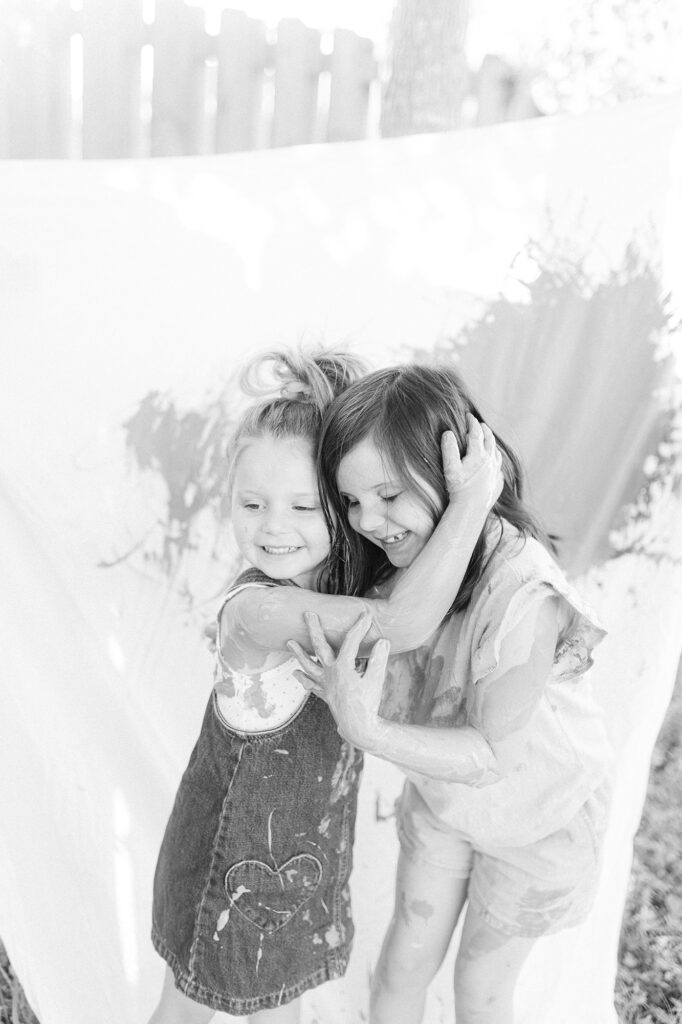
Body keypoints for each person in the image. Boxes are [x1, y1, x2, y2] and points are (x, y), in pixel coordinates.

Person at [148, 350, 503, 1024]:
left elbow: (413, 592)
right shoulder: (259, 612)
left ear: (341, 510)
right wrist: (471, 503)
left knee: (282, 1006)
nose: (272, 525)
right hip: (227, 870)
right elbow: (404, 622)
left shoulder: (341, 592)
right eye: (251, 503)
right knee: (188, 1010)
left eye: (303, 505)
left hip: (300, 868)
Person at [288, 363, 612, 1024]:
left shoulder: (522, 589)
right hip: (446, 802)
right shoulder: (396, 570)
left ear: (455, 470)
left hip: (539, 818)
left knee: (480, 990)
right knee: (403, 963)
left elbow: (493, 753)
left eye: (387, 495)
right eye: (352, 501)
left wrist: (368, 730)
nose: (368, 520)